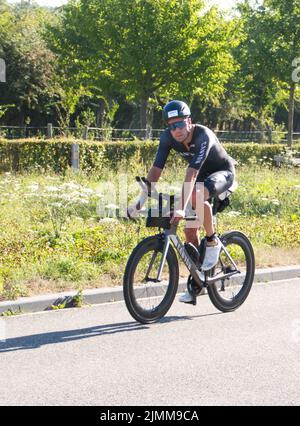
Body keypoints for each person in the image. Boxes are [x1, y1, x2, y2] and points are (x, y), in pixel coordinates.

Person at [128, 100, 236, 303]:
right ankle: (199, 280)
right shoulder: (168, 138)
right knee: (189, 231)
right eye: (171, 126)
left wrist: (179, 208)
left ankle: (212, 241)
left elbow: (191, 173)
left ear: (189, 121)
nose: (176, 130)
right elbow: (156, 170)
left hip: (223, 173)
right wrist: (139, 202)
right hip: (201, 180)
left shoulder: (203, 135)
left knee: (194, 194)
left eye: (179, 124)